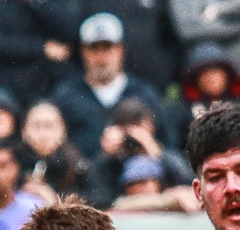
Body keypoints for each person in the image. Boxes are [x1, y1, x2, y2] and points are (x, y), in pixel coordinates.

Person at [51, 13, 168, 161]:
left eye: (108, 47)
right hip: (83, 180)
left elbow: (167, 145)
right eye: (94, 48)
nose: (101, 56)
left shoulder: (144, 94)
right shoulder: (66, 95)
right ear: (83, 52)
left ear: (121, 50)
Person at [88, 99, 193, 210]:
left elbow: (188, 182)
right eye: (126, 130)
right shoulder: (113, 161)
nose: (132, 137)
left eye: (137, 128)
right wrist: (105, 155)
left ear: (150, 126)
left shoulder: (163, 154)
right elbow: (99, 197)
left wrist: (156, 152)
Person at [17, 101, 91, 199]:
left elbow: (99, 196)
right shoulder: (13, 160)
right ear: (24, 131)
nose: (43, 134)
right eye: (36, 126)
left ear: (62, 129)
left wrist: (56, 198)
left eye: (49, 126)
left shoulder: (75, 161)